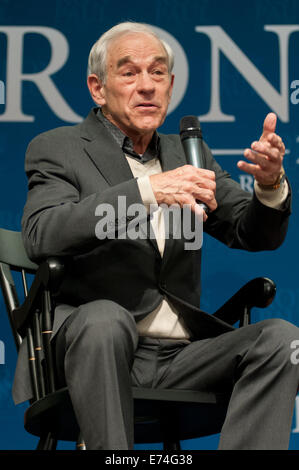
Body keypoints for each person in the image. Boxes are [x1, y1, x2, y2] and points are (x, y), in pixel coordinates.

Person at [14, 21, 299, 450]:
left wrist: (270, 185)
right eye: (129, 73)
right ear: (97, 87)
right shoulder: (59, 148)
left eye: (158, 72)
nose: (146, 86)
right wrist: (146, 192)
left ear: (170, 85)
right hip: (95, 348)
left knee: (283, 340)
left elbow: (251, 232)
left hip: (180, 356)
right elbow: (43, 234)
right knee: (105, 320)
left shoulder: (189, 155)